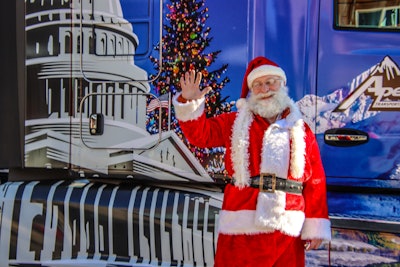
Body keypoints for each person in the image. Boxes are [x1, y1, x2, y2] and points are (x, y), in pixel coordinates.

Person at [173, 56, 331, 267]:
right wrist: (191, 103)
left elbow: (315, 181)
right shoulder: (234, 122)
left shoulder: (301, 129)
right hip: (243, 228)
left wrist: (315, 226)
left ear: (282, 85)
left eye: (270, 82)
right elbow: (201, 136)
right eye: (257, 84)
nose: (264, 88)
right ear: (250, 91)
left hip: (287, 230)